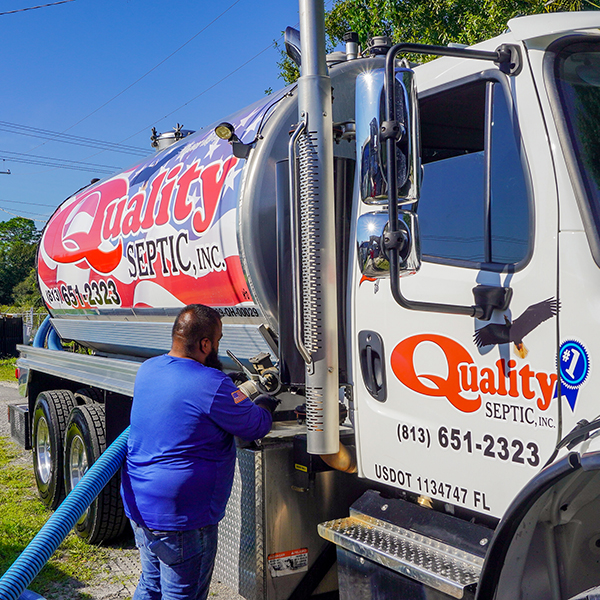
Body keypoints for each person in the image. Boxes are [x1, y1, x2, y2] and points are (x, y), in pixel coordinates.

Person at [121, 304, 277, 600]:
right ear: (205, 344)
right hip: (182, 516)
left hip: (140, 502)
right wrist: (267, 403)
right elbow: (255, 425)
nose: (218, 346)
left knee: (151, 585)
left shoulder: (149, 368)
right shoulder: (210, 383)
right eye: (217, 340)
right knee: (183, 595)